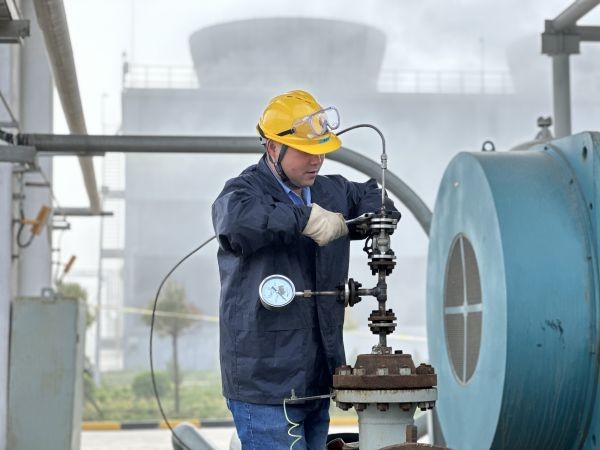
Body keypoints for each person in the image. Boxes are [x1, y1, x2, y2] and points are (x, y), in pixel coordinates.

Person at [212, 90, 395, 449]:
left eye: (321, 151)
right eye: (306, 152)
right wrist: (303, 218)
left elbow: (374, 196)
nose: (317, 160)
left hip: (316, 378)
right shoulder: (243, 193)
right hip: (265, 386)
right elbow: (235, 222)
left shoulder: (331, 192)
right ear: (273, 148)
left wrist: (375, 219)